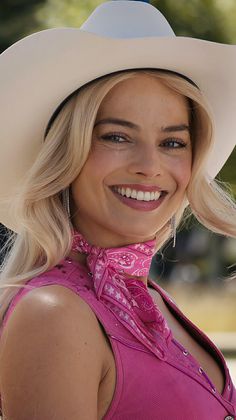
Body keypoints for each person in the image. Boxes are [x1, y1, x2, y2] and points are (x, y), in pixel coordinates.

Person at [0, 1, 235, 419]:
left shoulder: (148, 299)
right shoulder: (53, 315)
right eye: (117, 136)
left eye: (173, 142)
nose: (150, 165)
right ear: (66, 154)